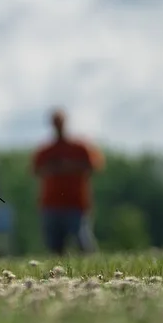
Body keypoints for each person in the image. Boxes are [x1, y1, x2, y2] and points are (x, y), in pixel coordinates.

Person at [32, 108, 104, 255]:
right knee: (54, 247)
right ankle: (58, 276)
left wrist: (69, 166)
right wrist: (53, 168)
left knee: (83, 243)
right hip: (51, 204)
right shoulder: (45, 150)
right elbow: (35, 170)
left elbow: (95, 166)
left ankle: (93, 271)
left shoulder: (80, 148)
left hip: (76, 204)